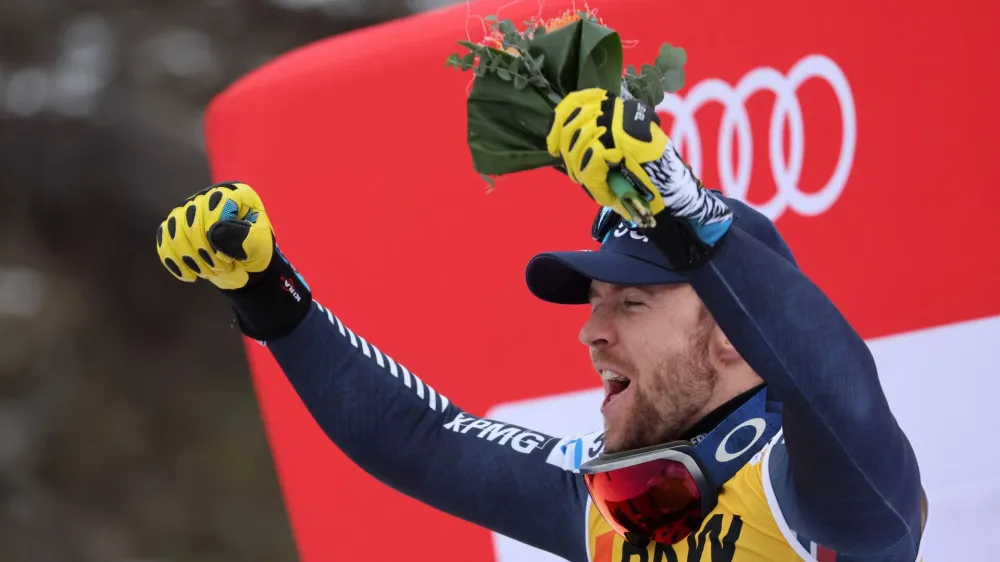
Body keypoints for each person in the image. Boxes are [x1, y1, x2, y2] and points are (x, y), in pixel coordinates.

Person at [155, 88, 927, 561]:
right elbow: (421, 440)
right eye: (594, 302)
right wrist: (271, 297)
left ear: (733, 329)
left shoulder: (810, 488)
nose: (592, 334)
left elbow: (840, 395)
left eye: (630, 304)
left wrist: (693, 219)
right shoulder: (618, 501)